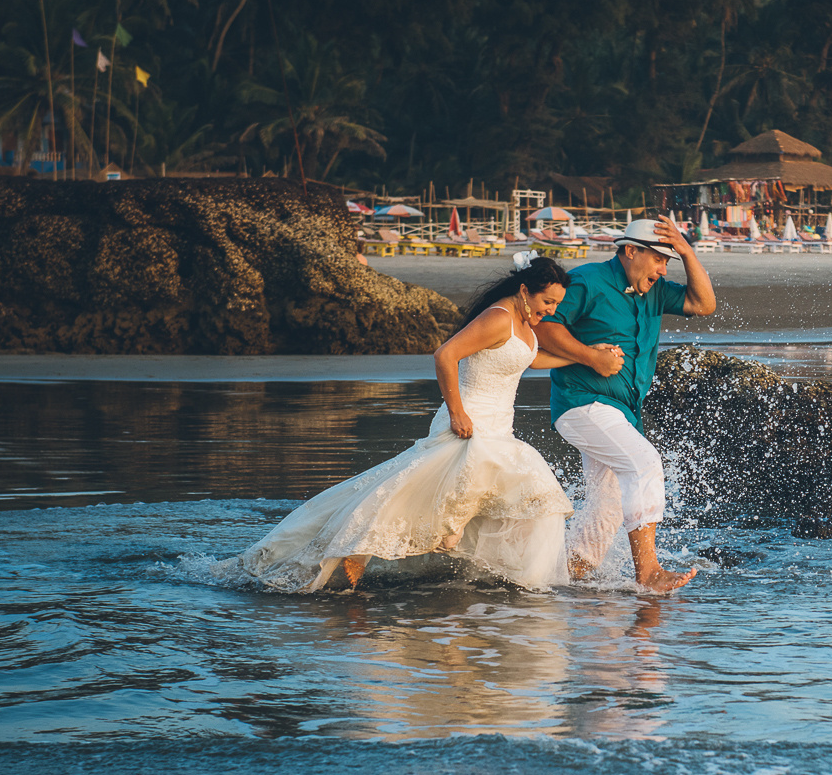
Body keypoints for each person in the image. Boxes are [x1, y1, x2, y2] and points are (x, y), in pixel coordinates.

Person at [223, 254, 619, 592]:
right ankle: (355, 547)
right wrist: (458, 412)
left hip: (500, 429)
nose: (551, 311)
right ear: (524, 291)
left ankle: (507, 584)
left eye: (555, 304)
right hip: (469, 424)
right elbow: (445, 355)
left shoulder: (524, 325)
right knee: (426, 498)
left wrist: (588, 357)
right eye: (547, 301)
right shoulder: (499, 317)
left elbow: (528, 360)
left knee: (518, 503)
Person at [536, 216, 716, 593]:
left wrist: (685, 250)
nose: (663, 269)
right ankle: (648, 571)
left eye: (669, 262)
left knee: (606, 512)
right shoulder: (589, 281)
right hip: (582, 403)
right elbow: (546, 326)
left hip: (622, 413)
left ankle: (561, 582)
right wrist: (590, 357)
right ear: (630, 250)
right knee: (645, 464)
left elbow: (704, 304)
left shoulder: (655, 290)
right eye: (658, 259)